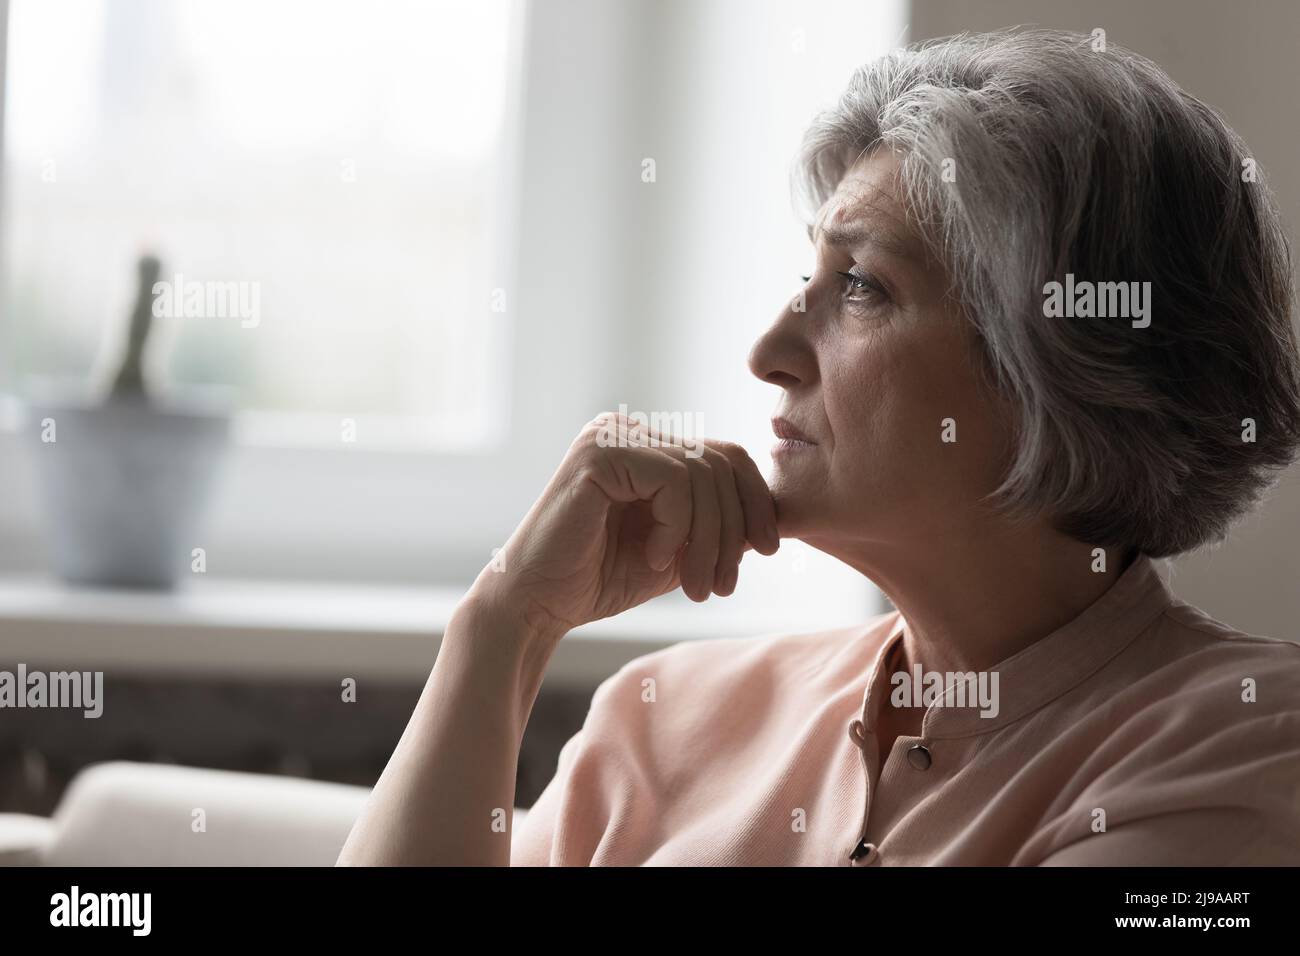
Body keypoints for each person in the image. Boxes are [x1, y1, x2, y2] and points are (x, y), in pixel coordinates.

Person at [338, 28, 1300, 866]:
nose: (767, 354)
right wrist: (505, 622)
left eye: (862, 286)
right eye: (813, 271)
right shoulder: (665, 711)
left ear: (1063, 359)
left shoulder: (1245, 742)